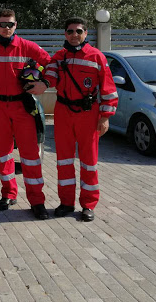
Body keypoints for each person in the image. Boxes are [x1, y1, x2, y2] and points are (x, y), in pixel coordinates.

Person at [0, 9, 52, 219]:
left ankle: (37, 200)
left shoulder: (28, 47)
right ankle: (8, 194)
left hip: (22, 106)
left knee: (30, 156)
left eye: (11, 24)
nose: (7, 28)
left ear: (16, 25)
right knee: (3, 153)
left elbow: (51, 64)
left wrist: (44, 82)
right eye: (3, 24)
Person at [43, 17, 118, 222]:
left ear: (86, 33)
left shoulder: (96, 57)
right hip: (63, 112)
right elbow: (49, 77)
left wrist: (105, 117)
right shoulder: (59, 57)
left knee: (89, 162)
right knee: (64, 161)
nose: (74, 35)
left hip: (88, 114)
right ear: (65, 34)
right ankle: (66, 202)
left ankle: (88, 204)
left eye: (78, 31)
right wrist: (33, 79)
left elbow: (108, 89)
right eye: (70, 31)